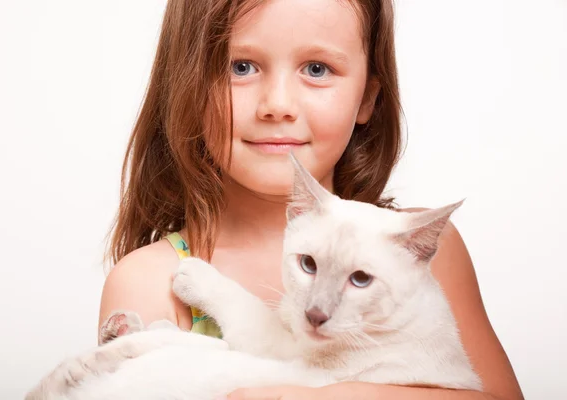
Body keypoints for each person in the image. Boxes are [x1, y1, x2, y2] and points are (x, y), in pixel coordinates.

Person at [98, 0, 523, 399]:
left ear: (368, 98)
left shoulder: (425, 250)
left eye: (317, 68)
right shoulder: (151, 279)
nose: (277, 105)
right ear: (188, 87)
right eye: (240, 67)